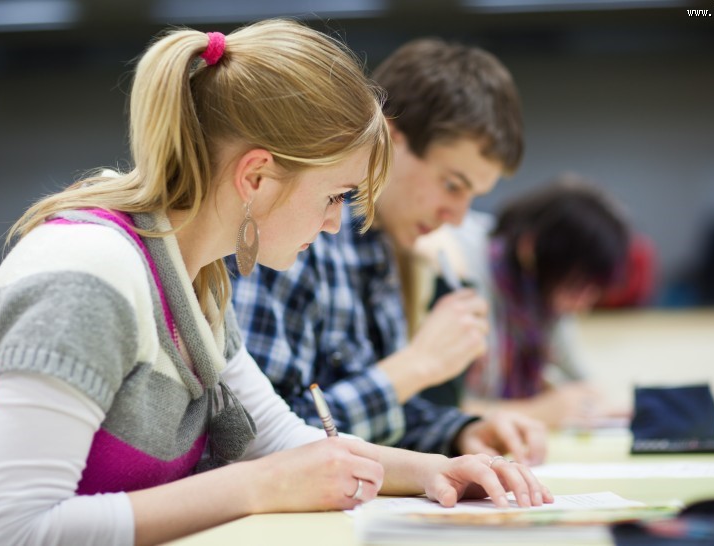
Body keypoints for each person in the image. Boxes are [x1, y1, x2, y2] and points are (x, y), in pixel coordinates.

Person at [0, 21, 553, 546]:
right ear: (258, 176)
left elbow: (280, 439)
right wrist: (257, 486)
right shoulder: (88, 274)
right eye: (335, 194)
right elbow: (18, 532)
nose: (333, 221)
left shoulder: (200, 277)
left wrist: (430, 471)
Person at [229, 38, 547, 465]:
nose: (456, 217)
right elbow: (257, 437)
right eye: (452, 185)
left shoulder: (381, 247)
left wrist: (460, 432)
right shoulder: (289, 238)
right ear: (390, 140)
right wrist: (417, 366)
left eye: (473, 195)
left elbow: (382, 424)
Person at [414, 175, 632, 428]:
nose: (582, 306)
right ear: (530, 249)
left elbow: (580, 381)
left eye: (593, 292)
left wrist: (596, 406)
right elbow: (435, 407)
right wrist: (538, 411)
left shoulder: (540, 300)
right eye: (576, 288)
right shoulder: (456, 267)